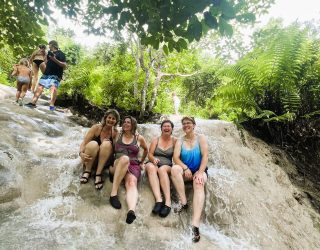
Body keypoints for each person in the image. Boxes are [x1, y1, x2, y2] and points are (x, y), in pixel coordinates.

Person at [171, 116, 208, 243]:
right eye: (184, 123)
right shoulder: (180, 140)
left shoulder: (201, 138)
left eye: (188, 123)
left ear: (193, 125)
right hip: (185, 169)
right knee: (175, 169)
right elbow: (175, 158)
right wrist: (185, 168)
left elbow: (205, 156)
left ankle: (195, 225)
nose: (186, 125)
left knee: (199, 183)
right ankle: (184, 202)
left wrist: (200, 172)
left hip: (199, 170)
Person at [109, 116, 148, 224]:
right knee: (125, 158)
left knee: (131, 183)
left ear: (133, 125)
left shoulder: (139, 138)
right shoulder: (117, 134)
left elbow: (146, 150)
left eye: (128, 122)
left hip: (133, 165)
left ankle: (131, 211)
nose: (125, 124)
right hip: (117, 164)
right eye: (124, 122)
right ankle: (113, 194)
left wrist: (141, 162)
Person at [79, 109, 120, 190]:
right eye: (109, 117)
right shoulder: (96, 128)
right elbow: (84, 142)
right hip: (91, 158)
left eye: (113, 119)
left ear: (116, 121)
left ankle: (98, 174)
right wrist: (80, 153)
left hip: (103, 162)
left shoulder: (115, 132)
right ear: (105, 118)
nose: (111, 120)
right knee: (93, 143)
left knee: (107, 143)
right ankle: (87, 171)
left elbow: (116, 150)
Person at [145, 119, 177, 217]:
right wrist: (153, 159)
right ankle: (158, 200)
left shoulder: (175, 141)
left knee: (162, 169)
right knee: (150, 167)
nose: (166, 128)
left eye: (169, 126)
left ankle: (167, 203)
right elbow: (149, 154)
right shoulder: (156, 140)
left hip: (167, 166)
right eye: (164, 126)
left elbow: (177, 157)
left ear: (172, 129)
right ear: (161, 128)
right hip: (154, 163)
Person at [26, 40, 66, 111]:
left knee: (53, 88)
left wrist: (54, 59)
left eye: (49, 45)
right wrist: (45, 55)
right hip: (47, 73)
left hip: (56, 74)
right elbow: (46, 62)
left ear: (53, 45)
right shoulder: (48, 54)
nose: (48, 46)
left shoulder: (61, 54)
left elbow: (64, 65)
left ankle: (51, 105)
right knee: (40, 86)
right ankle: (33, 103)